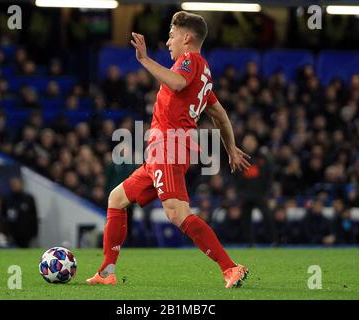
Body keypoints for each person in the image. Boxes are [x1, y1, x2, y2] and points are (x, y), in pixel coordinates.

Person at [86, 11, 252, 289]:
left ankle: (230, 268)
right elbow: (221, 116)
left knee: (176, 213)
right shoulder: (204, 77)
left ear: (187, 38)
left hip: (169, 147)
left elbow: (176, 82)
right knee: (116, 198)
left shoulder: (191, 62)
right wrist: (231, 149)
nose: (168, 42)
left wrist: (143, 59)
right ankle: (106, 271)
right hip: (162, 151)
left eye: (172, 36)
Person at [4, 177, 38, 248]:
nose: (14, 186)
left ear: (21, 184)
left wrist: (35, 232)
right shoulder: (7, 199)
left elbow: (34, 216)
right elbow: (4, 216)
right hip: (12, 233)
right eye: (12, 184)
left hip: (26, 233)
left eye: (16, 184)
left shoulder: (28, 198)